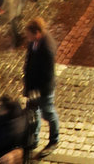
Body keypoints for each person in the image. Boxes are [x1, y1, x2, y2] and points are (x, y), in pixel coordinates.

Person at [23, 17, 59, 151]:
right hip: (34, 88)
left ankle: (54, 140)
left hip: (43, 90)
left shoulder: (47, 48)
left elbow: (47, 74)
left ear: (37, 33)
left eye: (29, 35)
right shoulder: (34, 42)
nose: (27, 37)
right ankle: (33, 139)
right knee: (33, 113)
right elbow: (29, 62)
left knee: (48, 114)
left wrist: (37, 91)